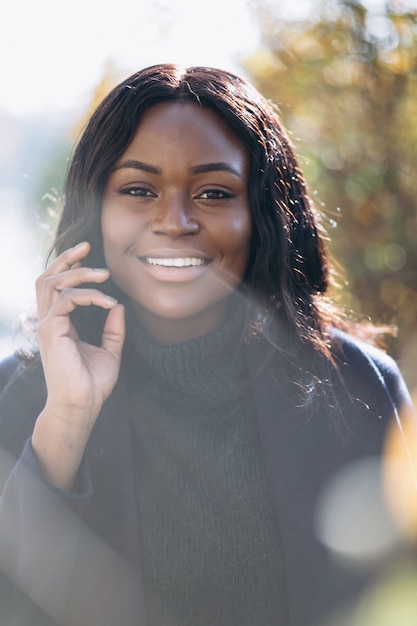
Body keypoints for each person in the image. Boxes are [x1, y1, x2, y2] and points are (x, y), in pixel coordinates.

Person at [0, 63, 414, 626]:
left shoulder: (361, 387)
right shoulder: (20, 394)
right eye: (138, 190)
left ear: (263, 213)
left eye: (214, 192)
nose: (175, 221)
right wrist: (67, 419)